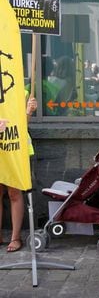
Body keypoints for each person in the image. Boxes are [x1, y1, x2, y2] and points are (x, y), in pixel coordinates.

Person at [0, 96, 37, 252]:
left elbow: (22, 123)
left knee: (14, 192)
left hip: (14, 145)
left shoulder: (18, 87)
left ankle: (16, 237)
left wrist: (28, 111)